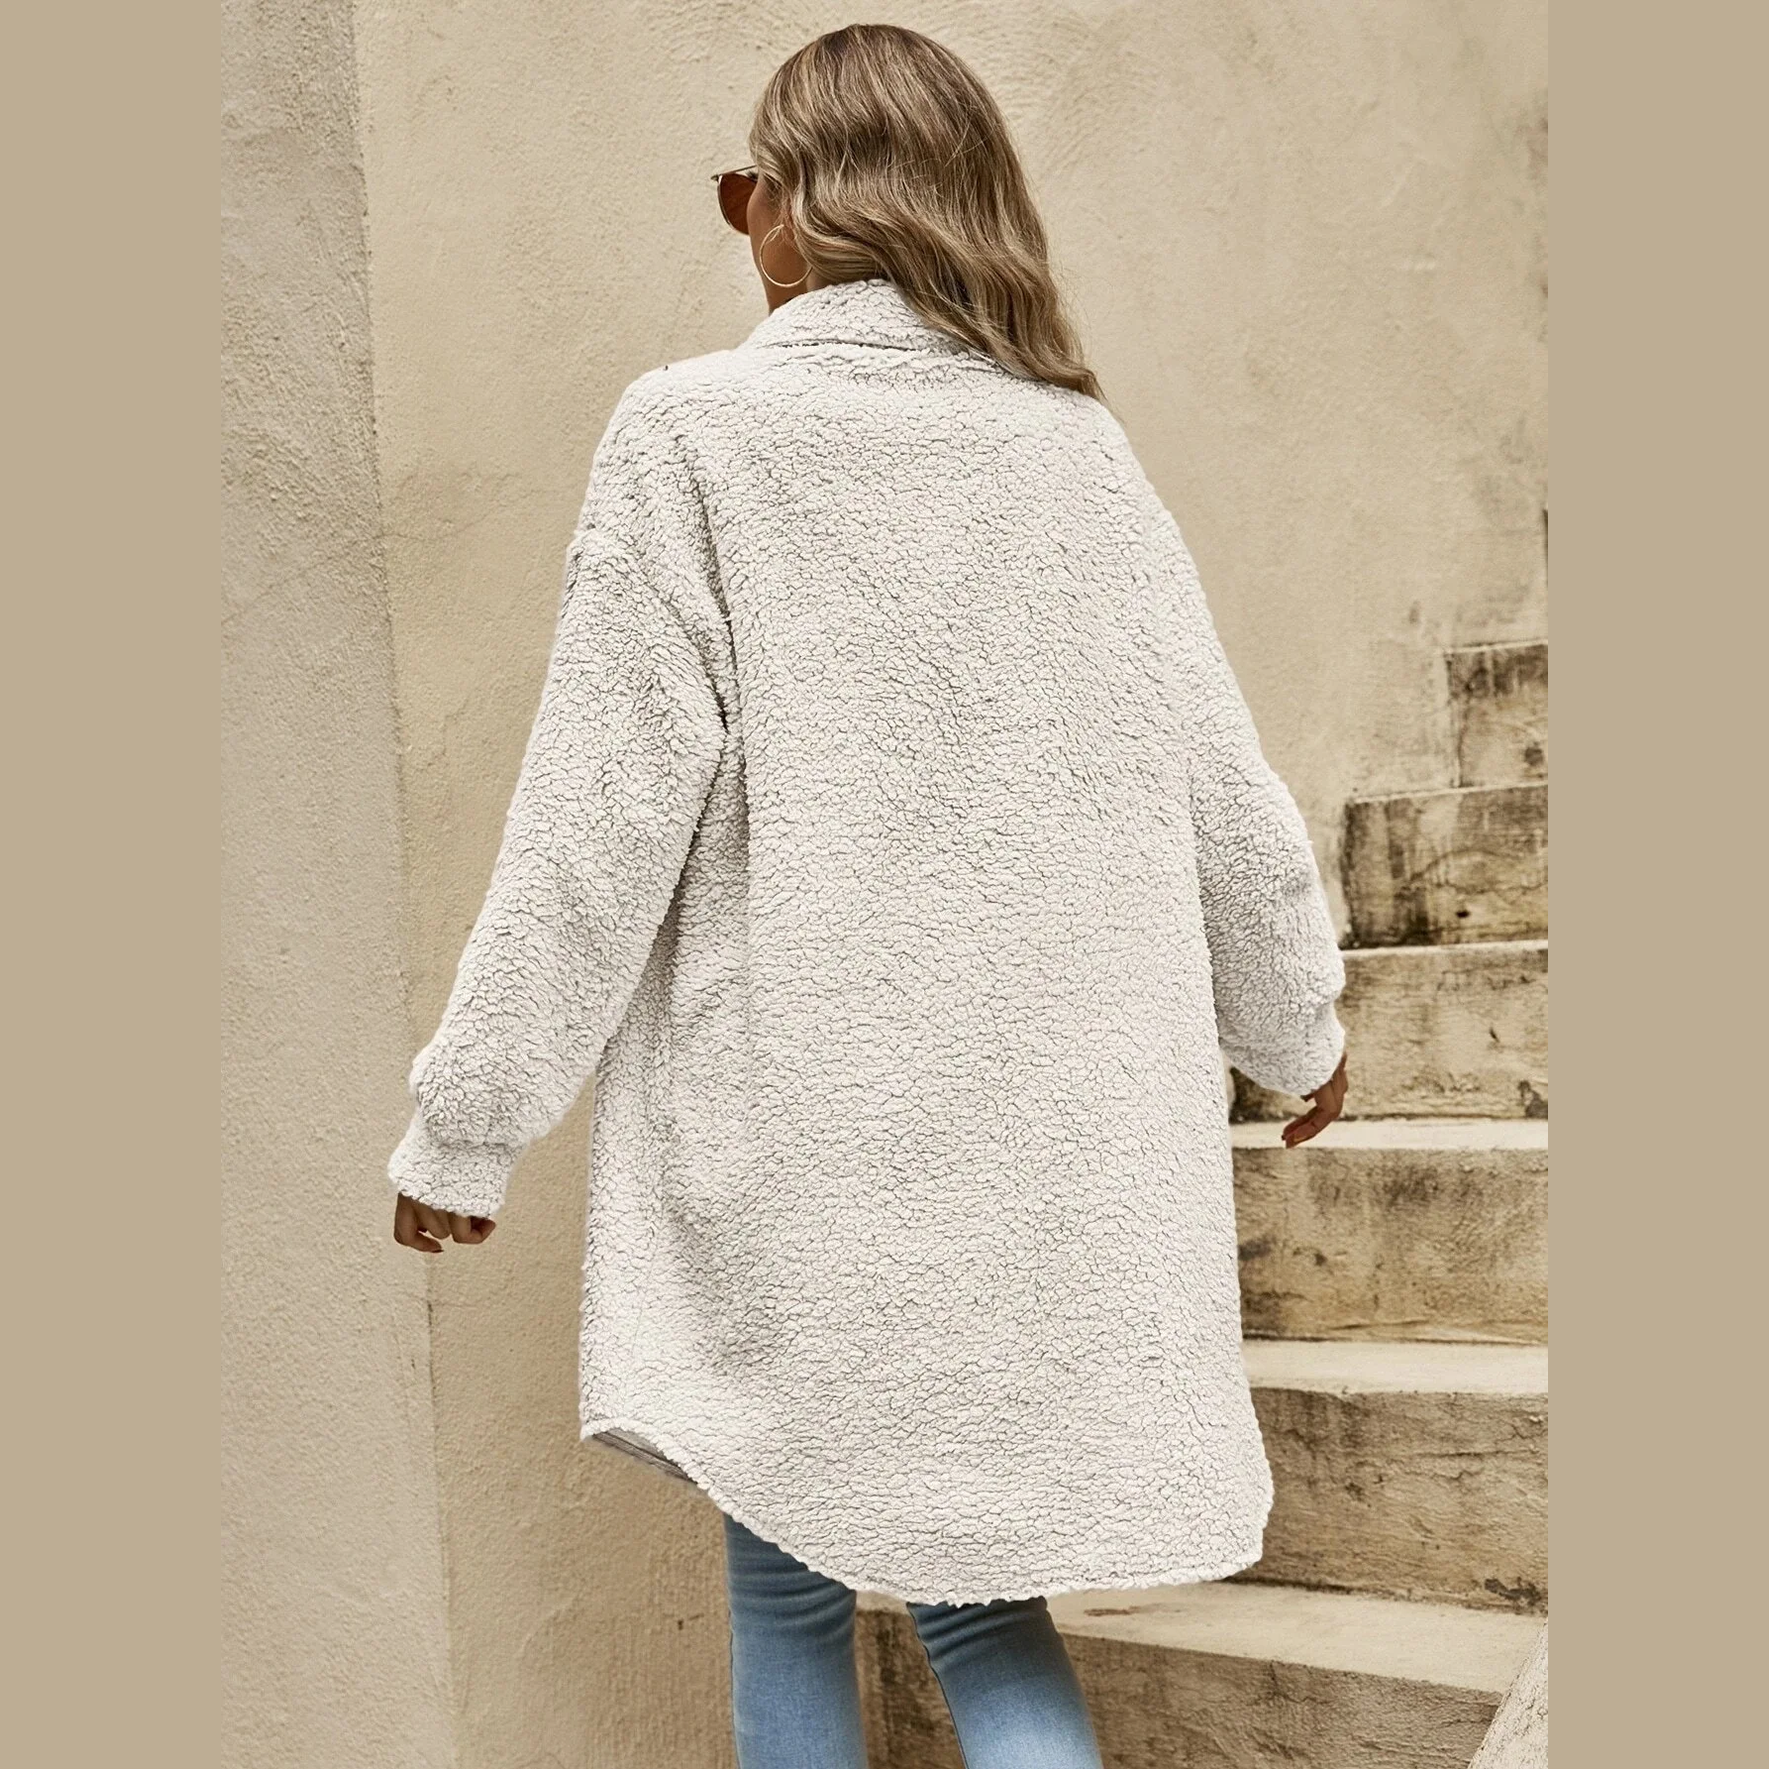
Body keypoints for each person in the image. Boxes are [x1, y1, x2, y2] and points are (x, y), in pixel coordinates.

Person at [387, 24, 1349, 1769]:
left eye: (743, 185)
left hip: (807, 1151)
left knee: (788, 1597)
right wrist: (1298, 1034)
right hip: (1034, 1170)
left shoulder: (695, 435)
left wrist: (470, 1123)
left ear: (796, 206)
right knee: (983, 1616)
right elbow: (1228, 801)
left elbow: (591, 829)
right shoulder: (1078, 455)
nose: (737, 217)